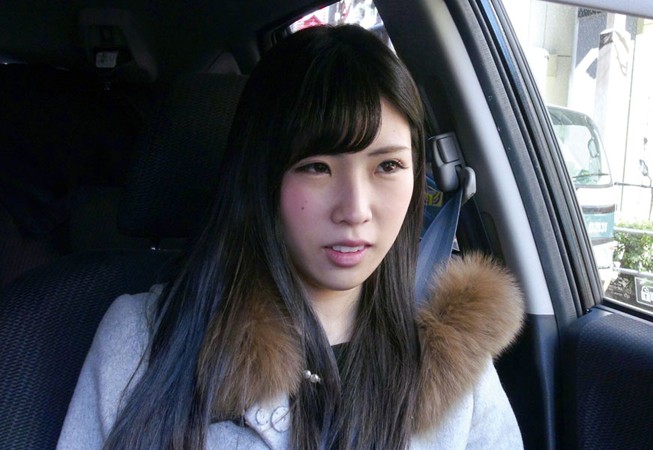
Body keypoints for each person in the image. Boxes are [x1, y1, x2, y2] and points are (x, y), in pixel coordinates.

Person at [57, 24, 524, 450]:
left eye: (388, 165)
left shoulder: (454, 366)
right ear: (261, 177)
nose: (355, 210)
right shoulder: (143, 340)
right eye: (316, 167)